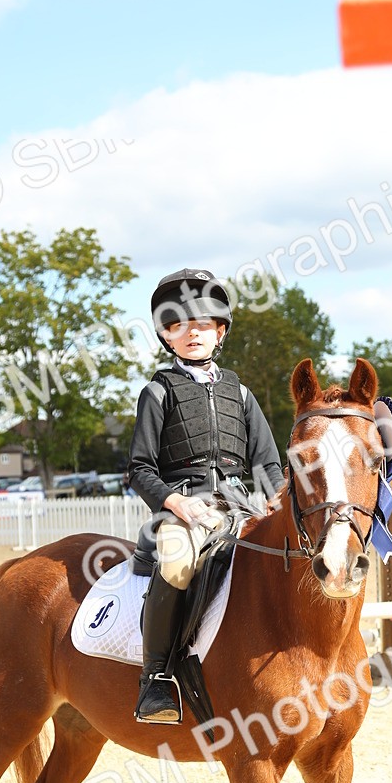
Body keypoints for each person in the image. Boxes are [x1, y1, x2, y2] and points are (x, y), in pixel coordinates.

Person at [128, 268, 285, 724]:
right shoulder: (158, 391)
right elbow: (139, 469)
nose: (191, 332)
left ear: (220, 333)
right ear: (166, 335)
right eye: (179, 324)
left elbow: (268, 465)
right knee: (177, 561)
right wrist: (175, 503)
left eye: (202, 324)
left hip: (239, 507)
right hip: (184, 511)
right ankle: (155, 679)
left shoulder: (242, 392)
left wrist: (276, 499)